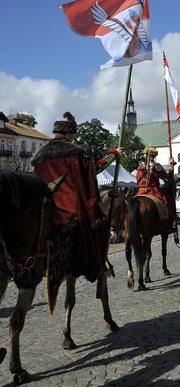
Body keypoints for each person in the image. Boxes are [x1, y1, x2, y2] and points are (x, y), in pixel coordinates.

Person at [31, 111, 123, 282]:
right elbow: (92, 170)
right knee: (96, 223)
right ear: (69, 134)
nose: (73, 137)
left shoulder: (40, 157)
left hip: (43, 208)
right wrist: (113, 155)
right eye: (73, 134)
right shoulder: (75, 154)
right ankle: (94, 262)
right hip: (68, 209)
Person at [136, 146, 177, 233]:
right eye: (150, 155)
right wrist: (147, 174)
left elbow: (167, 178)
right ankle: (169, 224)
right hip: (151, 190)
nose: (151, 157)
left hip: (143, 191)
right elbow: (138, 179)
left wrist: (171, 166)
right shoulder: (143, 167)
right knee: (167, 202)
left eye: (152, 155)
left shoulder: (152, 166)